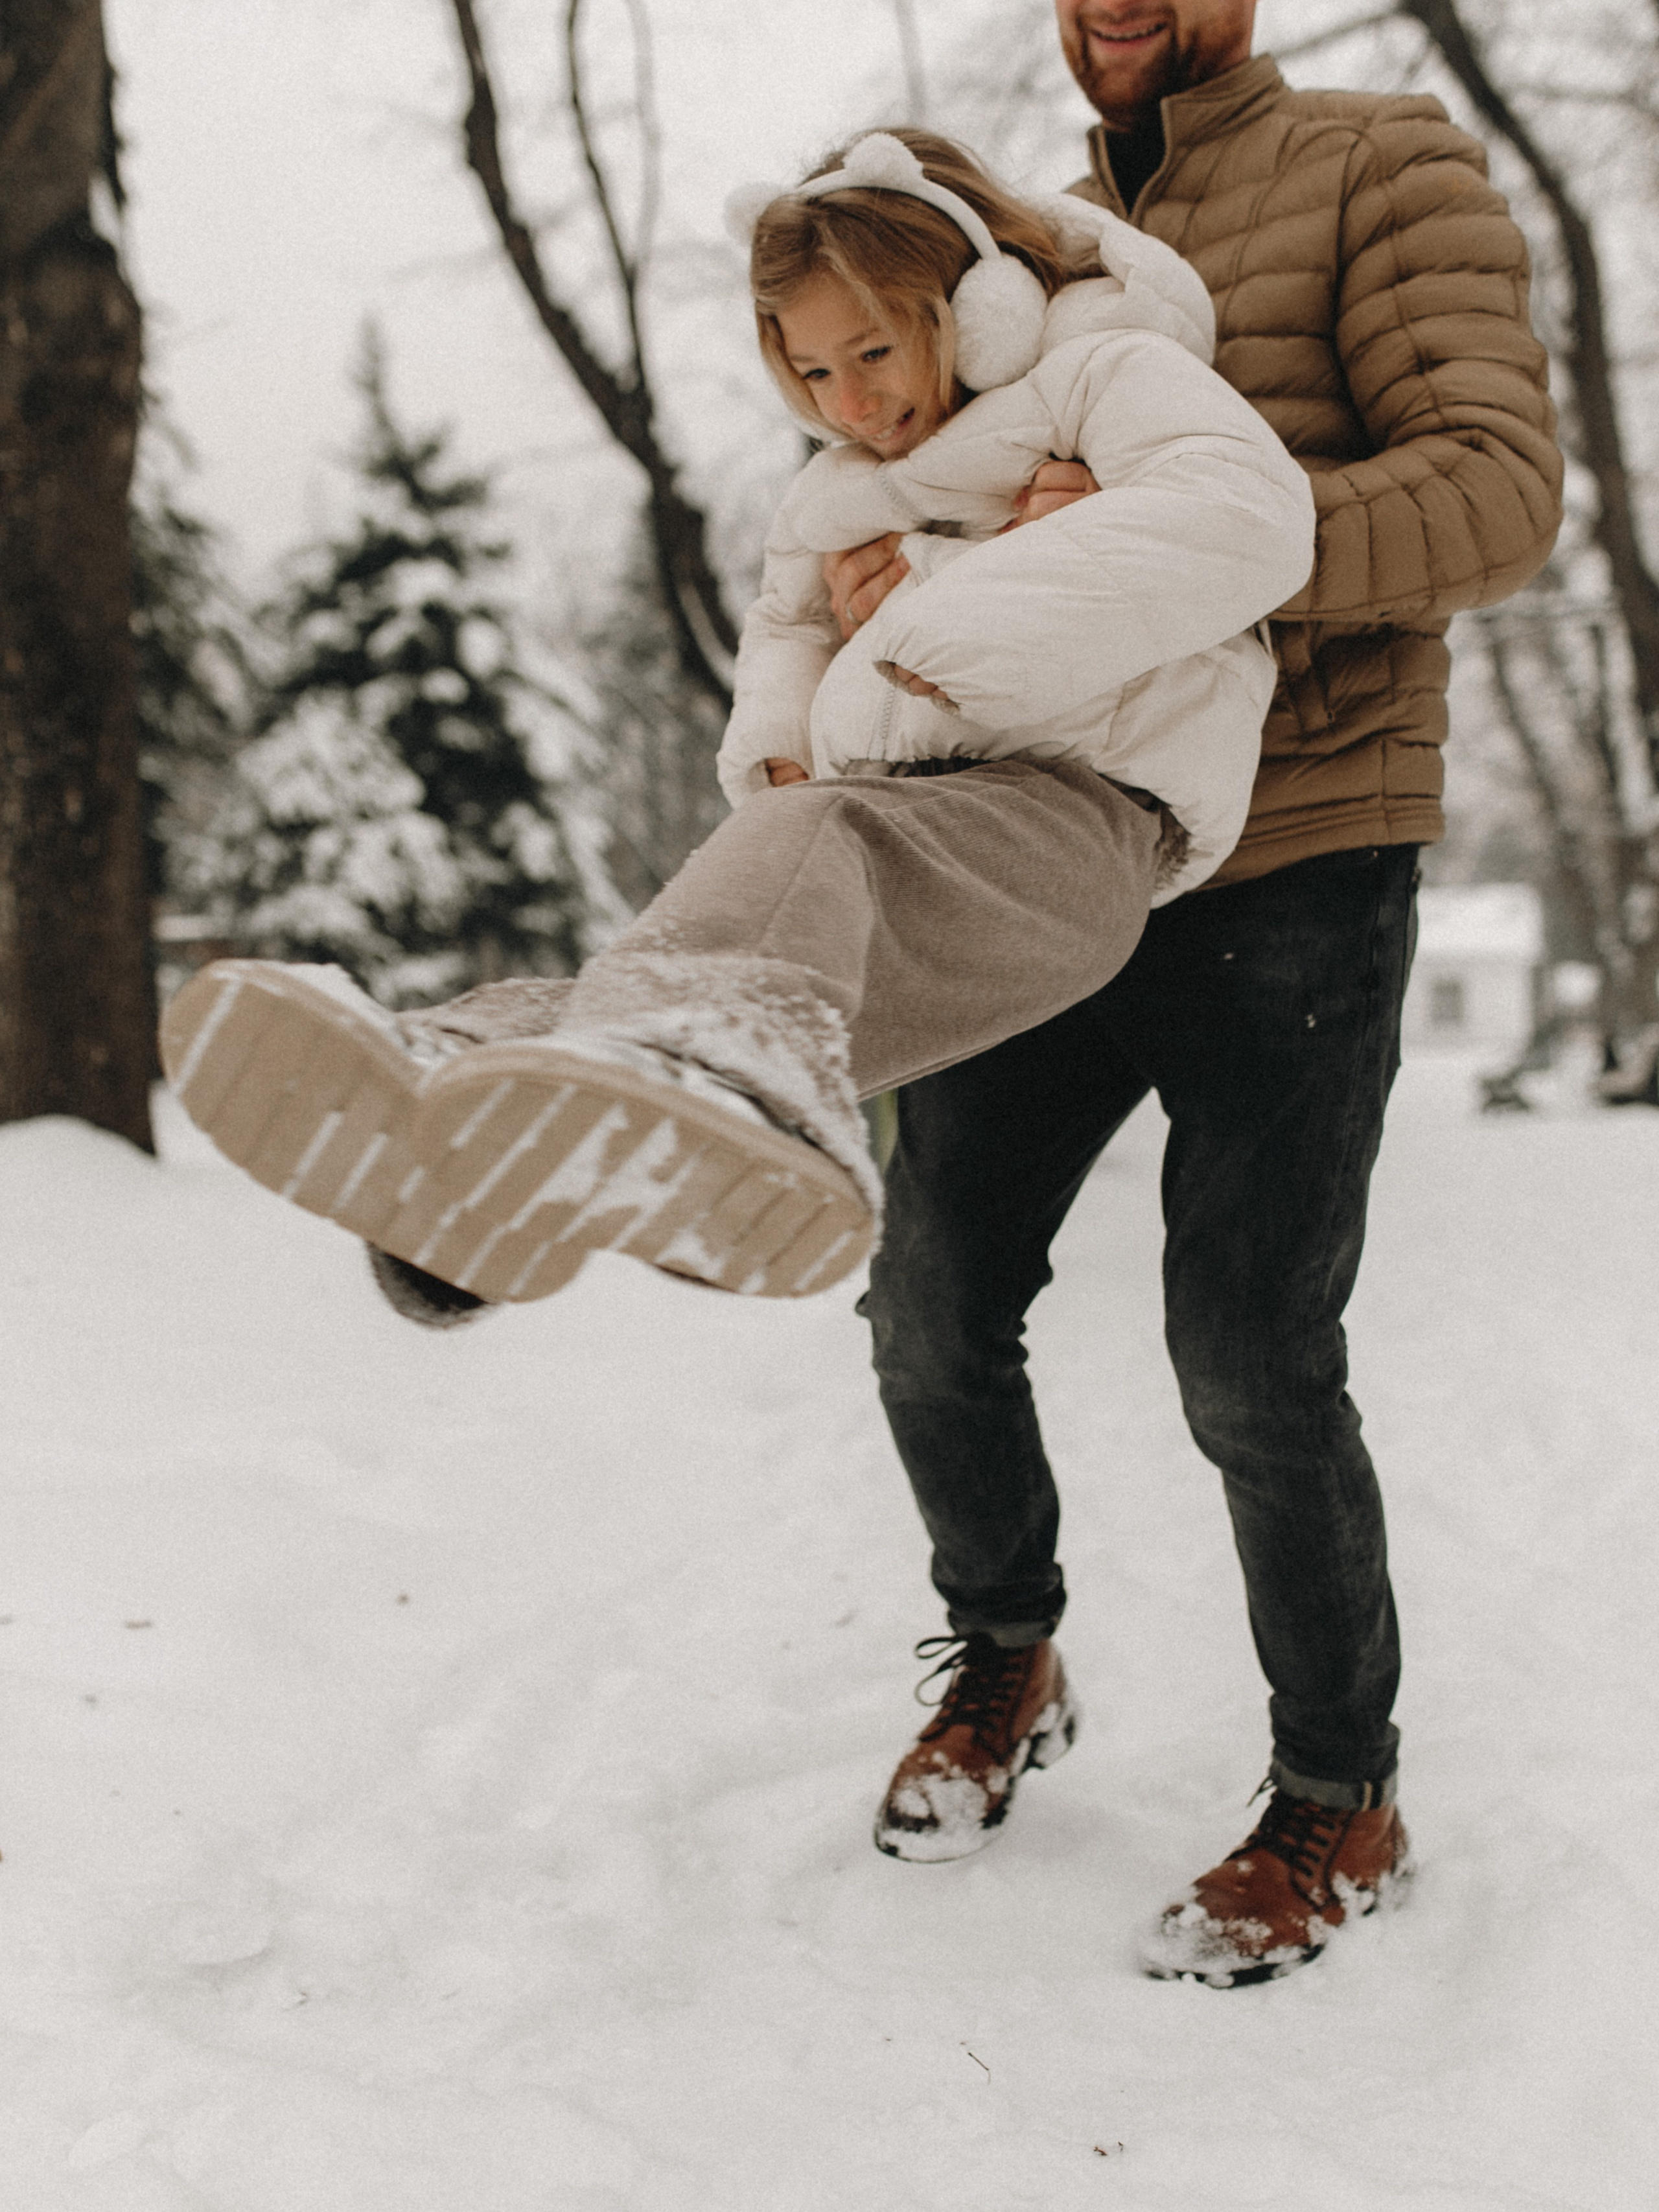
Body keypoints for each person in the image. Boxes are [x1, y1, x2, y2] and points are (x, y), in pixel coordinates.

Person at [835, 2, 1562, 1985]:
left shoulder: (1378, 164)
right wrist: (899, 580)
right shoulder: (1029, 242)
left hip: (1303, 845)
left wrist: (1176, 552)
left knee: (1248, 1352)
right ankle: (1007, 1658)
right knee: (925, 1298)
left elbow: (1497, 491)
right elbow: (959, 506)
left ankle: (1342, 1789)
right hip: (1053, 842)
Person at [161, 129, 1310, 1338]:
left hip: (1082, 822)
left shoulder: (1104, 379)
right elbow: (784, 634)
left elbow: (1249, 515)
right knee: (706, 956)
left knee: (807, 855)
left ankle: (724, 1057)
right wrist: (780, 743)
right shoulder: (828, 493)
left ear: (979, 311)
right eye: (811, 374)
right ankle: (469, 1121)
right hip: (938, 833)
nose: (849, 400)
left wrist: (951, 603)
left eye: (873, 350)